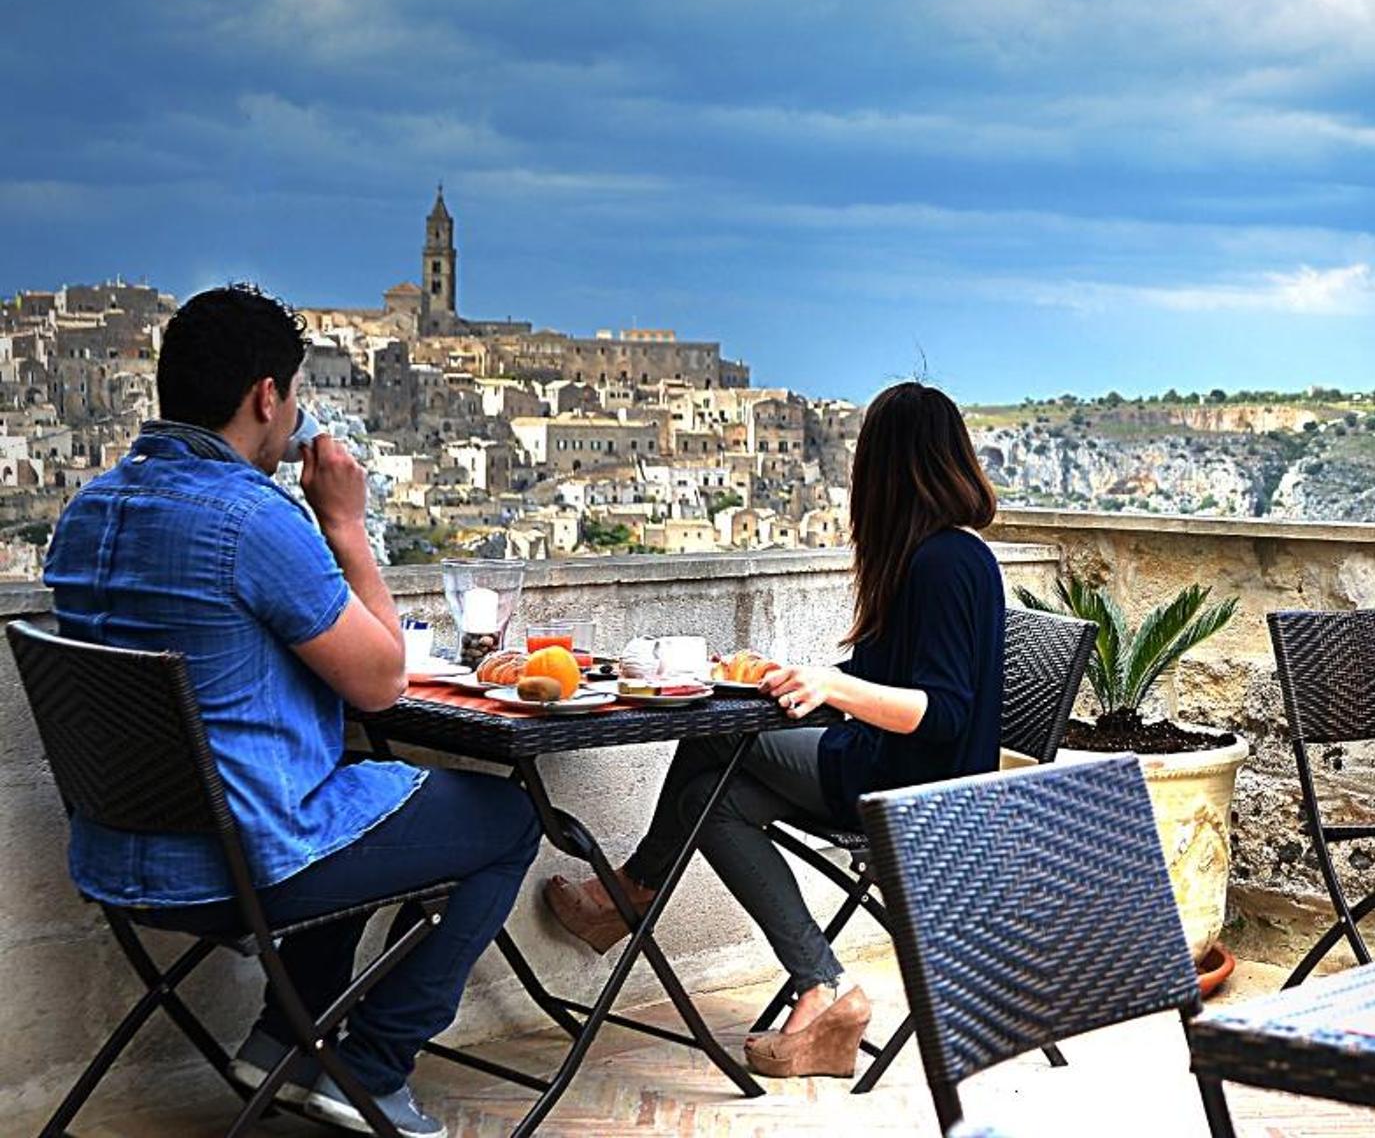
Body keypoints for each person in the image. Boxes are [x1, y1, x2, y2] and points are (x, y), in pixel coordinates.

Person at [43, 285, 542, 1138]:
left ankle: (284, 1041)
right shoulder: (250, 519)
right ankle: (373, 1066)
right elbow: (381, 682)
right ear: (267, 396)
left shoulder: (87, 512)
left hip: (112, 854)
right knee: (508, 818)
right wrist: (345, 527)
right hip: (235, 868)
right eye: (297, 394)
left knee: (357, 789)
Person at [542, 380, 1005, 1078]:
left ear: (886, 469)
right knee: (707, 801)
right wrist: (797, 678)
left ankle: (631, 889)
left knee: (711, 729)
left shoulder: (943, 563)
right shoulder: (940, 556)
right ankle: (823, 989)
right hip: (895, 769)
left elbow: (941, 713)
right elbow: (885, 677)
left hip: (908, 791)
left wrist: (833, 688)